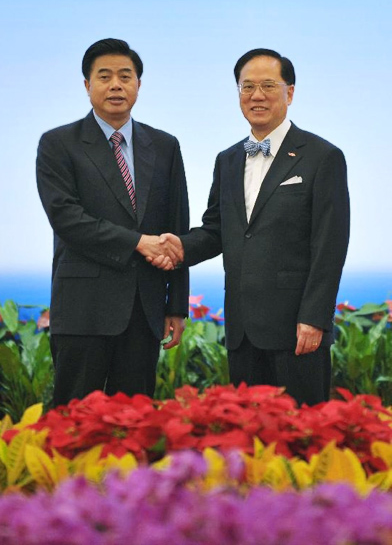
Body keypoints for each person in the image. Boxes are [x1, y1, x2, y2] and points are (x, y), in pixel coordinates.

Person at [151, 48, 350, 406]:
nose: (257, 95)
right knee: (248, 436)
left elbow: (330, 245)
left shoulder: (323, 157)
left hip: (298, 330)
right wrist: (179, 247)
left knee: (303, 437)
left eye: (268, 85)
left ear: (290, 92)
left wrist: (314, 318)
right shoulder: (228, 160)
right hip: (242, 331)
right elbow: (216, 230)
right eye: (247, 87)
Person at [36, 38, 189, 406]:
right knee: (75, 420)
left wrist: (176, 306)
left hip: (144, 308)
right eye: (104, 76)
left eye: (126, 76)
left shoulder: (165, 146)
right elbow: (67, 219)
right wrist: (138, 242)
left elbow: (176, 229)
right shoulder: (59, 144)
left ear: (138, 84)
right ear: (87, 85)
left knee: (135, 422)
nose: (116, 85)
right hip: (82, 309)